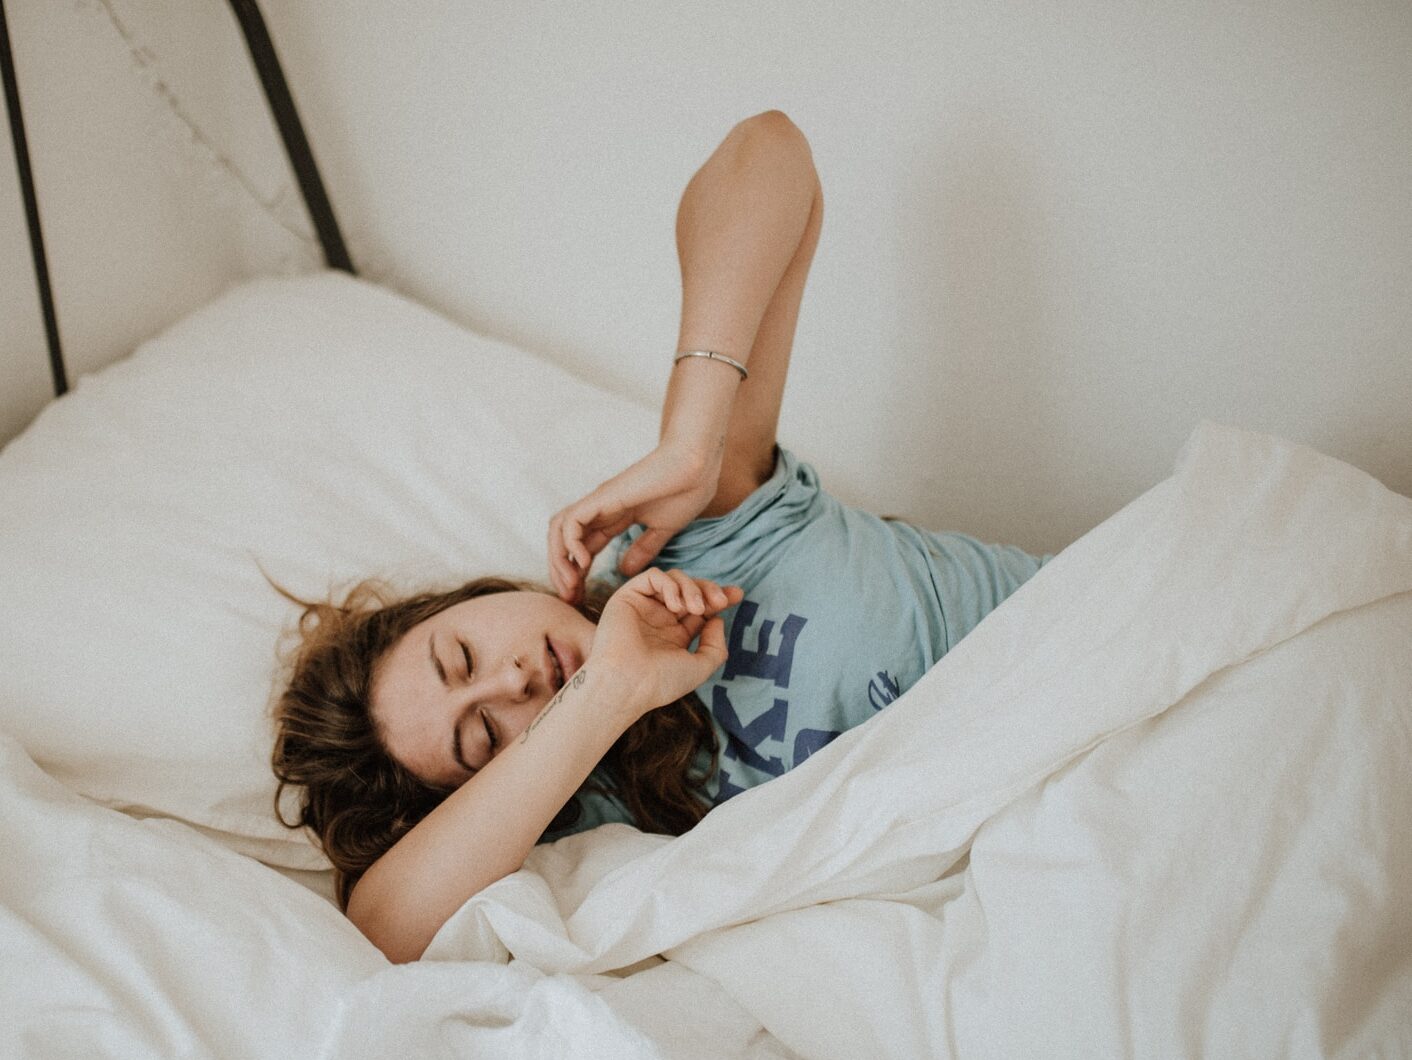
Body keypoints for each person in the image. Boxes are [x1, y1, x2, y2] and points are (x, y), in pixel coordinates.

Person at [271, 111, 1049, 964]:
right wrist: (607, 691)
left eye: (462, 656)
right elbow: (385, 928)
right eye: (485, 735)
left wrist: (691, 439)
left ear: (477, 600)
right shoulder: (602, 817)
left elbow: (771, 153)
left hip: (1092, 650)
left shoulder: (695, 540)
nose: (515, 679)